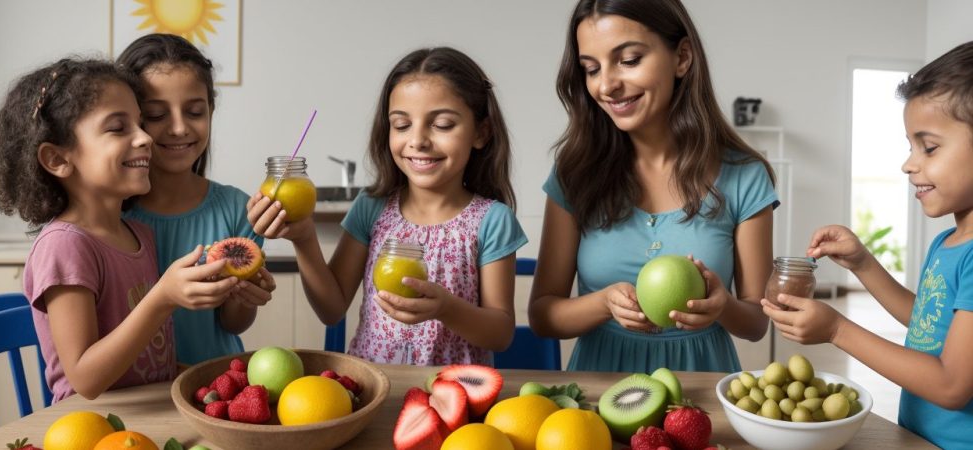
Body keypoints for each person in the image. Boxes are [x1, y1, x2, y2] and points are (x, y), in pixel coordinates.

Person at [529, 0, 778, 373]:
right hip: (600, 396)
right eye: (591, 69)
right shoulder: (574, 172)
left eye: (629, 60)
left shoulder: (745, 175)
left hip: (701, 395)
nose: (607, 85)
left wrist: (722, 305)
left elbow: (756, 323)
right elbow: (543, 316)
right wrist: (604, 303)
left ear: (682, 57)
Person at [0, 57, 239, 401]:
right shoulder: (65, 247)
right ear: (57, 159)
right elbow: (85, 379)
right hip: (90, 428)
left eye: (141, 123)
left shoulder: (138, 235)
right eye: (118, 128)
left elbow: (146, 364)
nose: (145, 138)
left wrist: (201, 381)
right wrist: (162, 298)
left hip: (144, 421)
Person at [248, 47, 527, 365]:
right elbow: (332, 309)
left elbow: (500, 334)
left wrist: (446, 308)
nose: (418, 140)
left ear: (481, 132)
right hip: (375, 390)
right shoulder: (372, 207)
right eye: (402, 124)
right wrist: (304, 238)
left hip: (455, 397)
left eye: (443, 124)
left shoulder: (492, 220)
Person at [763, 42, 973, 448]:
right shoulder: (949, 242)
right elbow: (928, 325)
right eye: (910, 146)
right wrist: (863, 263)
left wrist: (838, 329)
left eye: (929, 147)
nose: (909, 164)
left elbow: (951, 385)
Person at [117, 34, 276, 365]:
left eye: (194, 111)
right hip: (139, 397)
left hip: (214, 388)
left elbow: (232, 323)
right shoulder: (111, 215)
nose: (179, 128)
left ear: (211, 111)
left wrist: (247, 297)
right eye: (157, 115)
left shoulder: (238, 209)